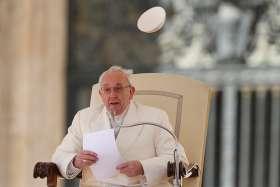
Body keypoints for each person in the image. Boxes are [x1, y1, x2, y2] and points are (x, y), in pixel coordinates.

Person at [52, 66, 188, 187]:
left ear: (131, 92)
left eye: (118, 88)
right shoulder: (84, 118)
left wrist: (143, 167)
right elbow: (60, 156)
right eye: (107, 90)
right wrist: (76, 162)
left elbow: (179, 159)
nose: (113, 95)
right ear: (101, 94)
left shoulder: (155, 117)